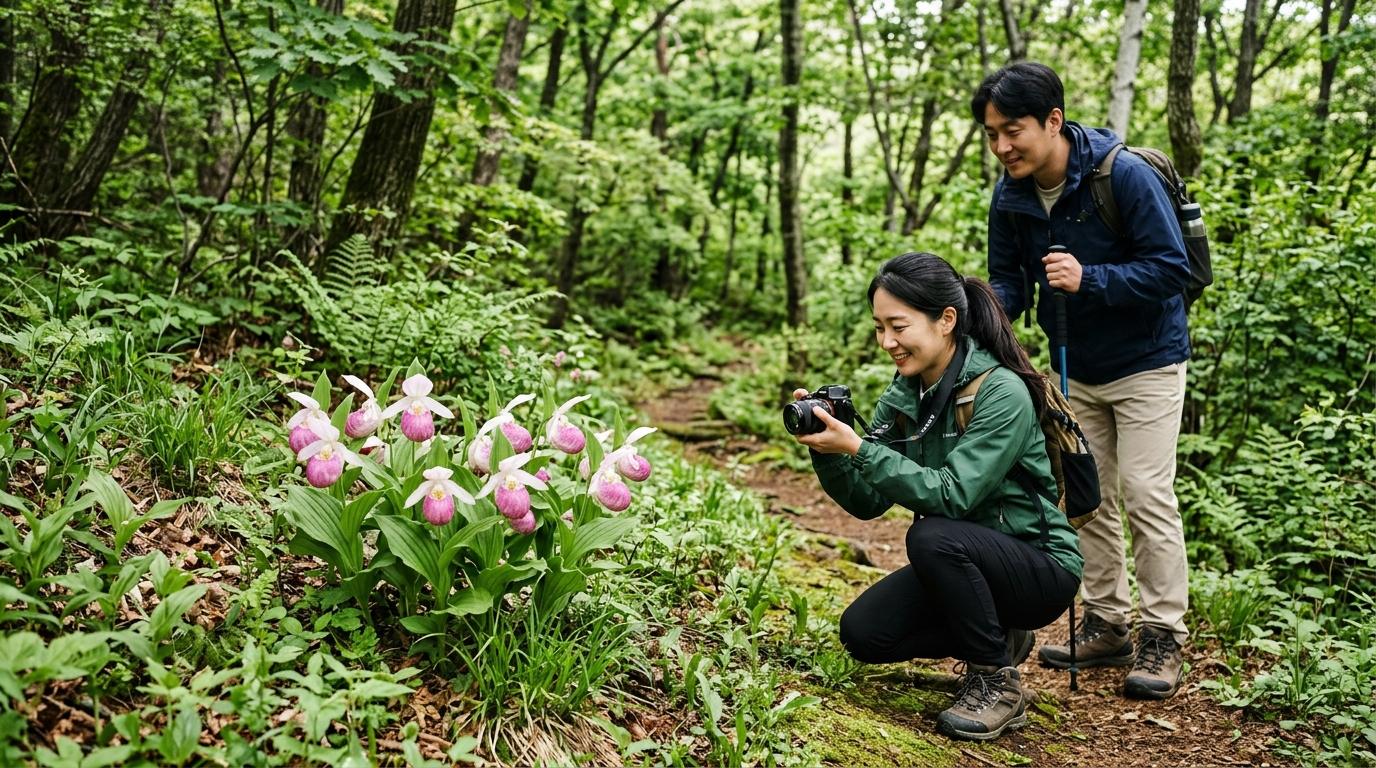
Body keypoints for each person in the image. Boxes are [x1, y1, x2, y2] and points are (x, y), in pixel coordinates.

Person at [793, 252, 1083, 741]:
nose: (887, 342)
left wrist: (860, 448)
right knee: (864, 633)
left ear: (946, 320)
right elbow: (867, 502)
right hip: (965, 563)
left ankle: (996, 682)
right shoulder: (905, 393)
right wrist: (829, 450)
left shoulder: (1001, 391)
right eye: (879, 327)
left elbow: (953, 495)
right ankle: (1001, 638)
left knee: (931, 534)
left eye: (898, 326)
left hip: (1039, 564)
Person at [972, 61, 1191, 700]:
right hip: (1075, 364)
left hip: (1148, 360)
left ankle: (1163, 633)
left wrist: (1088, 278)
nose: (1002, 146)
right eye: (991, 134)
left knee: (1146, 492)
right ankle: (1107, 621)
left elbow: (1171, 267)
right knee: (1085, 492)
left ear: (1053, 121)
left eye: (1012, 131)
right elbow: (1009, 280)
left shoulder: (1122, 175)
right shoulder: (1010, 195)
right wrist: (977, 314)